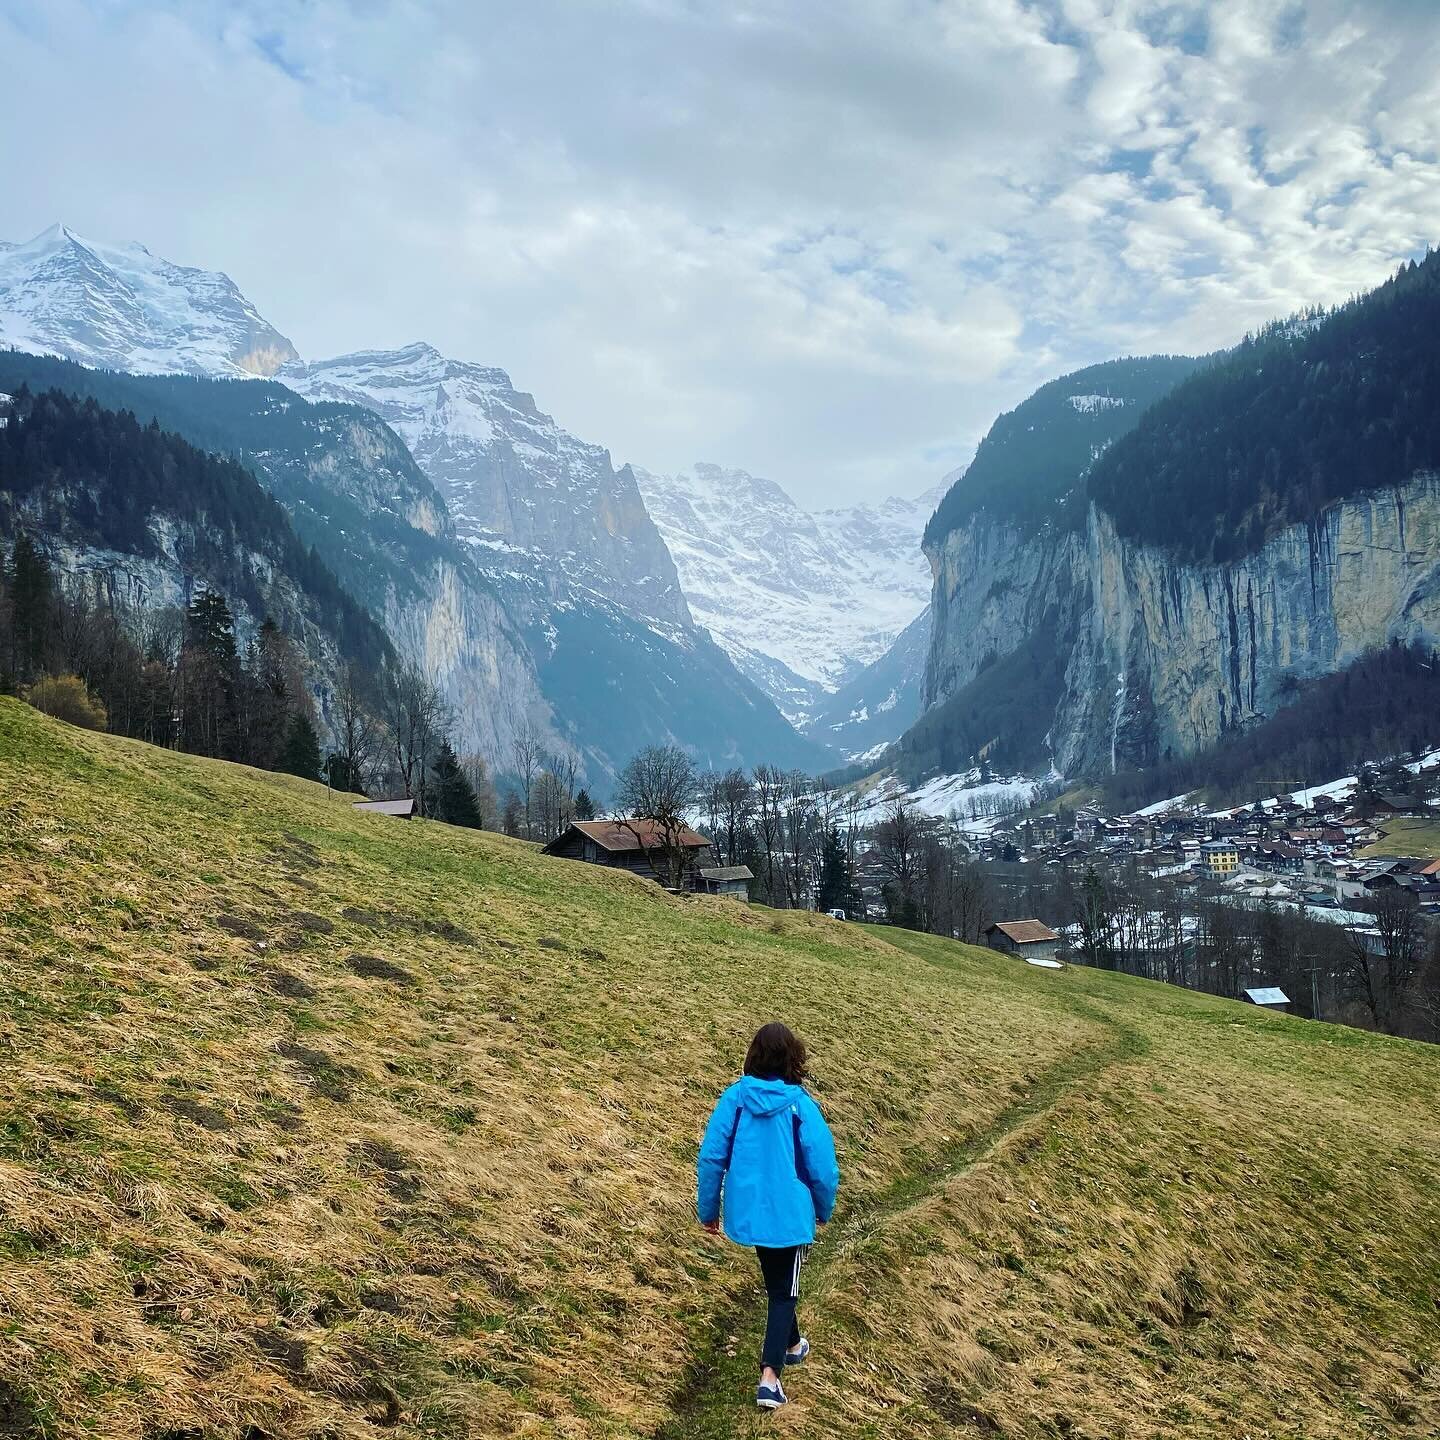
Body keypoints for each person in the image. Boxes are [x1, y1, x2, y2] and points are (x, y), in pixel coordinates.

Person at [696, 1021, 840, 1411]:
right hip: (790, 1216)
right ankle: (770, 1378)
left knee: (779, 1285)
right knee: (784, 1290)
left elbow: (712, 1157)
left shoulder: (735, 1099)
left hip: (751, 1213)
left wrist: (708, 1210)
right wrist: (823, 1209)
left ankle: (792, 1344)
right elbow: (823, 1167)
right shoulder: (800, 1104)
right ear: (793, 1058)